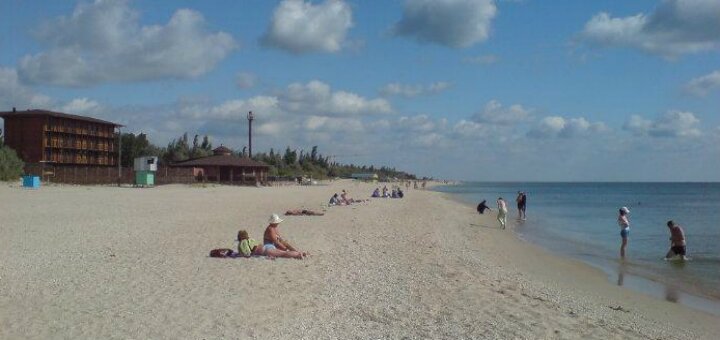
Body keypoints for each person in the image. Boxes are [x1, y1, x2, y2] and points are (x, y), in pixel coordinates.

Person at [237, 229, 303, 259]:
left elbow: (247, 253)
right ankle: (298, 253)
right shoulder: (251, 239)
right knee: (282, 252)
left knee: (283, 254)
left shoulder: (242, 243)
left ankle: (297, 255)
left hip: (265, 250)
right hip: (267, 246)